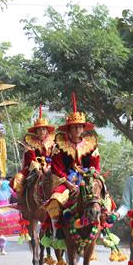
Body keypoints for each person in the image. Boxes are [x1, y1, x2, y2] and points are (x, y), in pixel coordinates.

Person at [46, 93, 100, 233]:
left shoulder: (92, 145)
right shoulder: (59, 147)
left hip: (87, 180)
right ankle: (56, 230)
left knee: (104, 199)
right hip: (65, 182)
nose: (77, 130)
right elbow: (56, 169)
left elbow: (95, 165)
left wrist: (90, 177)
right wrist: (69, 185)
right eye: (74, 127)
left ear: (83, 128)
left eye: (80, 127)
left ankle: (102, 226)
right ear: (69, 129)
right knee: (55, 200)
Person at [11, 106, 55, 200]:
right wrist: (37, 166)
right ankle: (21, 201)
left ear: (47, 131)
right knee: (18, 178)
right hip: (34, 167)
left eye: (43, 129)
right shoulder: (30, 143)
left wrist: (48, 166)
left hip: (50, 166)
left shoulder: (53, 143)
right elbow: (29, 160)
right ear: (36, 131)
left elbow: (54, 157)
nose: (41, 132)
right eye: (39, 129)